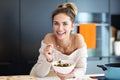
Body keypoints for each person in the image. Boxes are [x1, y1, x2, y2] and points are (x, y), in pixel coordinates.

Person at [30, 2, 88, 80]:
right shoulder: (49, 39)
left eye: (65, 24)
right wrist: (49, 59)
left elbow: (82, 69)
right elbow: (40, 74)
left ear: (72, 26)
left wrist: (70, 75)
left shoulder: (78, 40)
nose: (60, 29)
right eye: (56, 23)